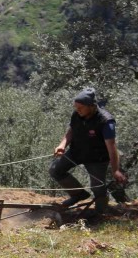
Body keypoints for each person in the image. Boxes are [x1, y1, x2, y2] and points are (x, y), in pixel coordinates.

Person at [49, 87, 127, 215]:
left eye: (80, 107)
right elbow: (71, 131)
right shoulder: (77, 114)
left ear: (91, 106)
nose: (77, 110)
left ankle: (100, 212)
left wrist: (116, 170)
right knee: (55, 170)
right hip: (77, 152)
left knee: (97, 186)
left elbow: (112, 148)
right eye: (76, 107)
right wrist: (62, 145)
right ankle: (79, 194)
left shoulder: (106, 121)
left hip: (97, 158)